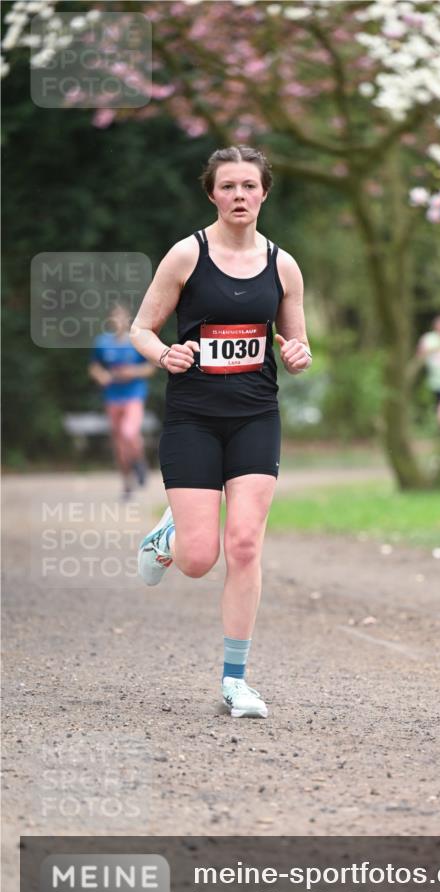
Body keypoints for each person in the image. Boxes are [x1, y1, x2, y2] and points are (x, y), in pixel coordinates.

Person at [130, 146, 312, 719]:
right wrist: (165, 354)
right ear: (212, 193)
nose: (239, 196)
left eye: (249, 186)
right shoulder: (187, 255)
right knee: (198, 558)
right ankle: (168, 539)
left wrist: (301, 353)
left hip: (257, 415)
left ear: (264, 193)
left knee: (245, 543)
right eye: (228, 186)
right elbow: (141, 327)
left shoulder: (283, 265)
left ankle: (236, 680)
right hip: (193, 419)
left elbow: (295, 342)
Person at [89, 303, 153, 500]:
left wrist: (132, 372)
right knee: (119, 444)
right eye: (114, 318)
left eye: (121, 318)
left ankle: (139, 462)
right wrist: (101, 376)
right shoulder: (102, 342)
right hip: (112, 397)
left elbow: (151, 366)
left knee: (129, 432)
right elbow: (94, 367)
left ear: (127, 321)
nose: (118, 321)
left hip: (134, 395)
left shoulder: (136, 341)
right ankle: (127, 484)